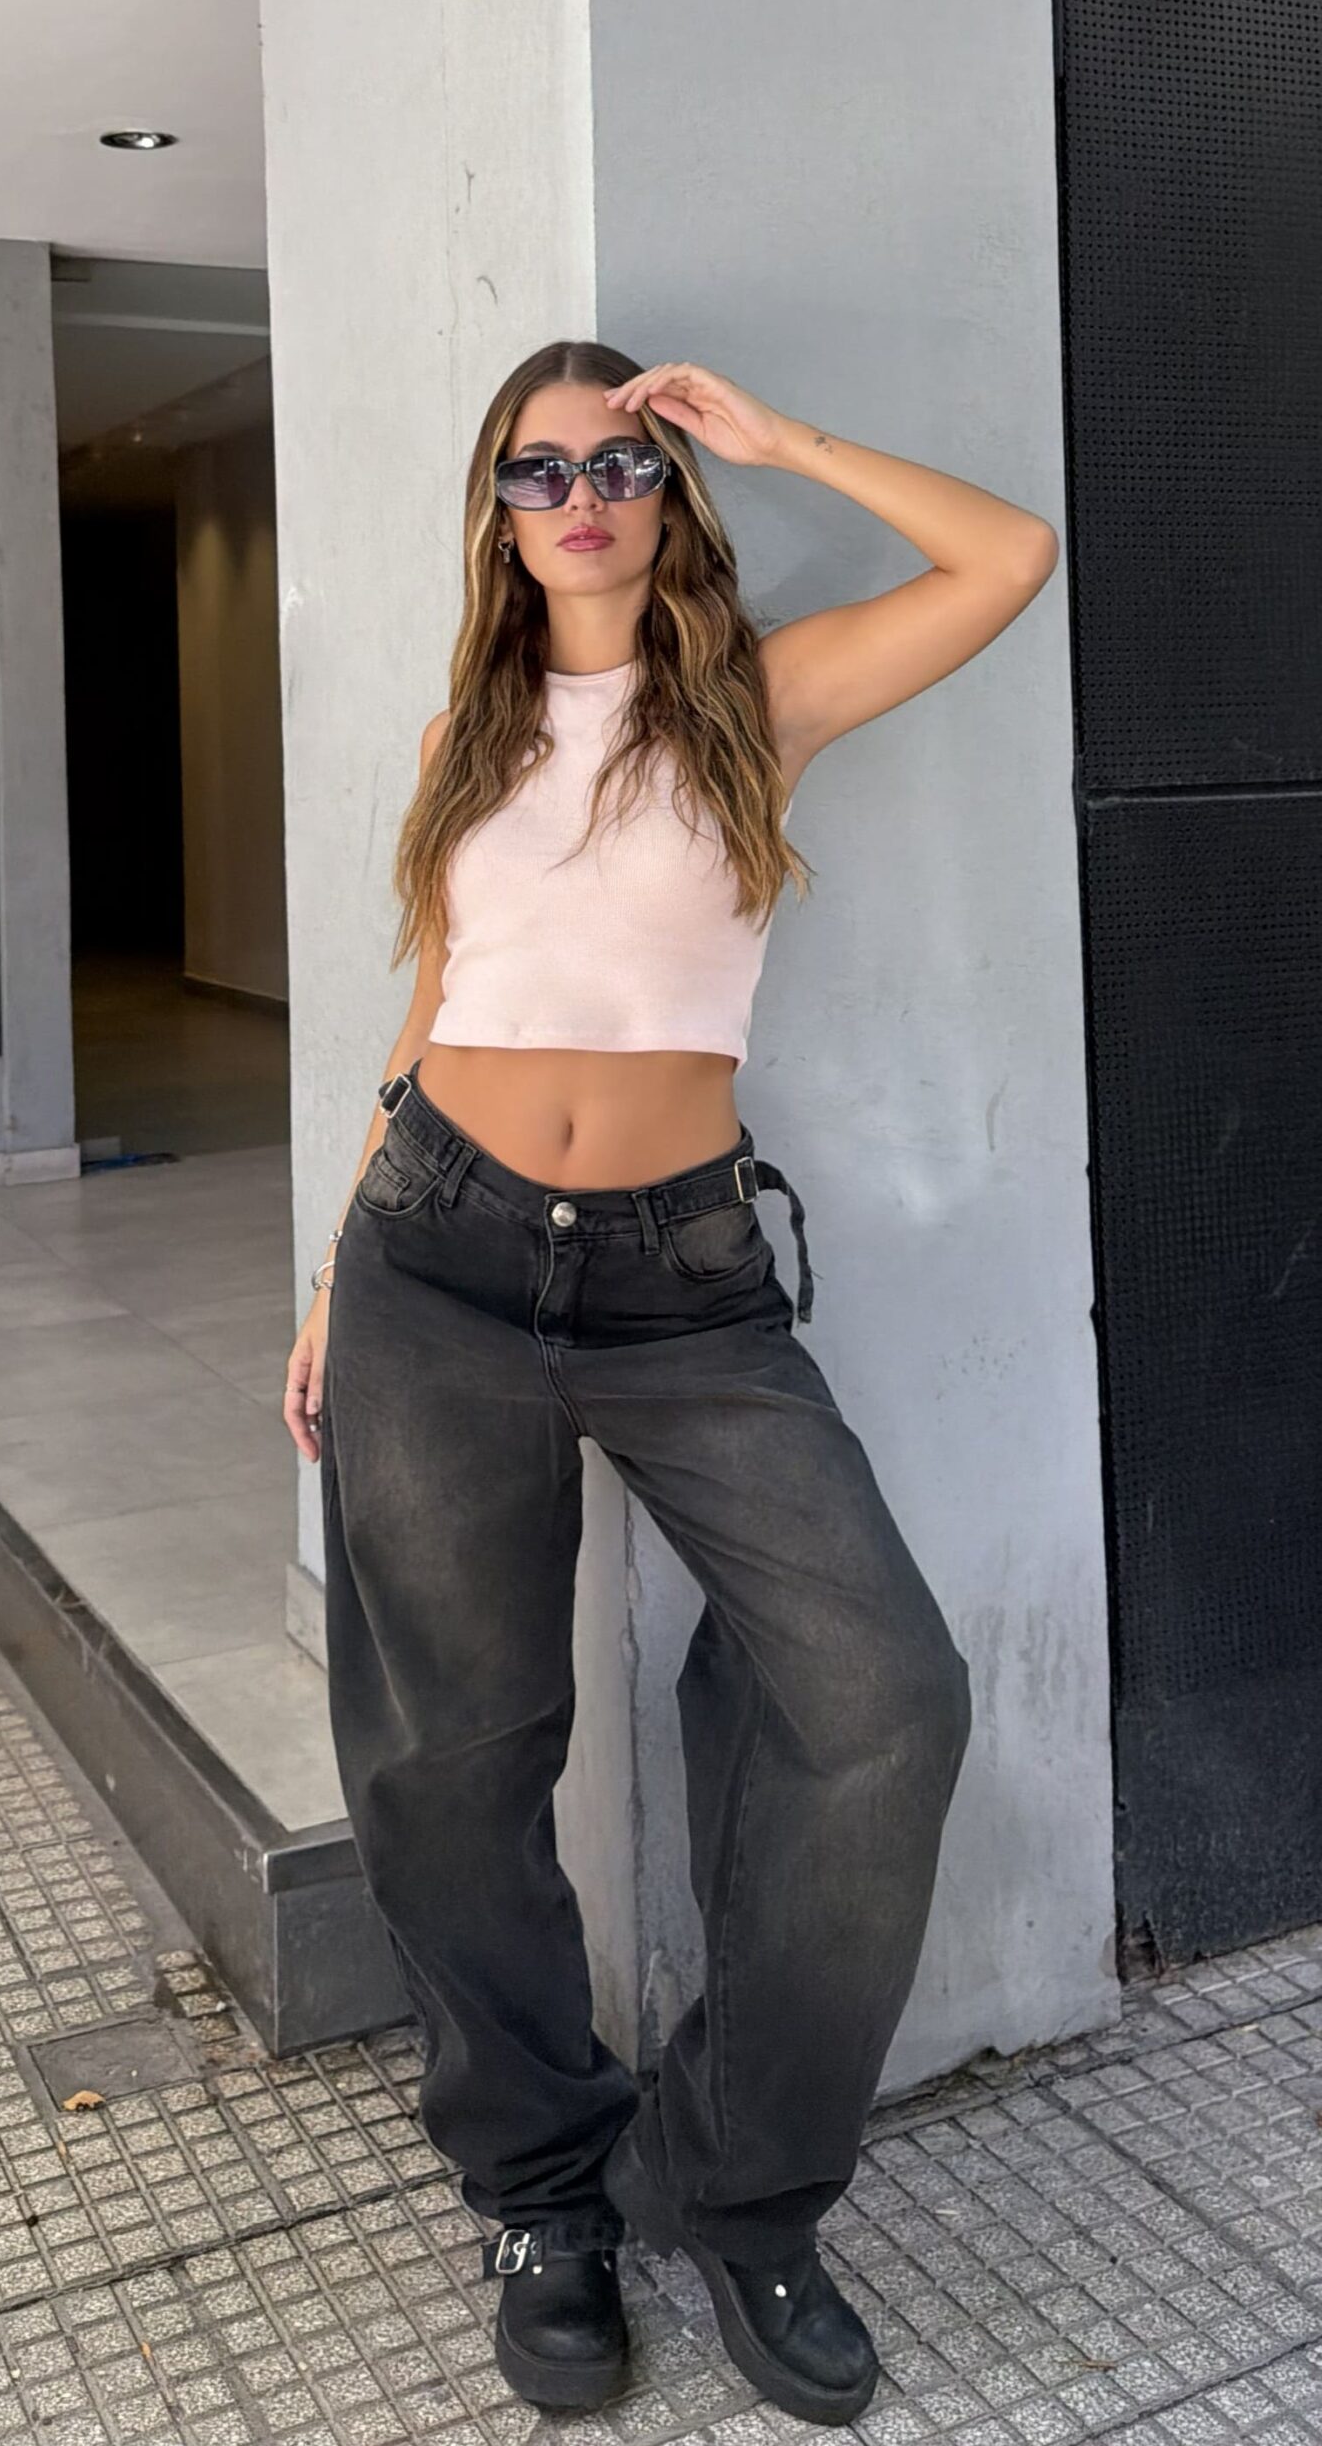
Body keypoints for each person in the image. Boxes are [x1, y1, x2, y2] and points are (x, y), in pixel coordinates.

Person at [284, 343, 1057, 2425]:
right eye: (540, 469)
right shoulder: (465, 733)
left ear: (667, 487)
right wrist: (333, 1273)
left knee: (882, 1694)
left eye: (620, 460)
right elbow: (440, 1002)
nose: (583, 495)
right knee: (451, 1753)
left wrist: (785, 439)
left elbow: (1009, 556)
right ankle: (543, 2193)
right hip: (434, 1258)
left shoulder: (752, 706)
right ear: (498, 510)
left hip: (686, 1283)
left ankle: (739, 2184)